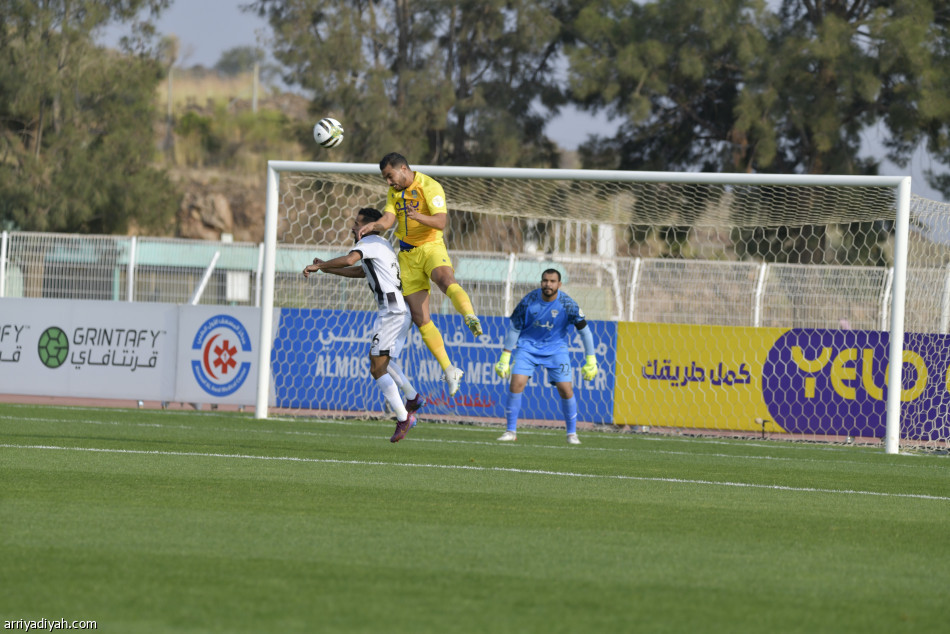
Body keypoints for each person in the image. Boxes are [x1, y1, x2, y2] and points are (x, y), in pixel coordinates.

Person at [355, 152, 481, 397]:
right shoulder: (394, 192)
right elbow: (389, 218)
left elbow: (441, 222)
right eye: (385, 178)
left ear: (403, 168)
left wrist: (417, 216)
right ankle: (450, 370)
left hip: (431, 247)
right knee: (421, 317)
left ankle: (469, 316)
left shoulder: (430, 186)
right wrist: (374, 225)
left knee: (445, 280)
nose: (389, 182)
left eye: (390, 176)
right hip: (407, 256)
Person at [303, 207, 423, 443]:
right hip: (398, 310)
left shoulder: (370, 241)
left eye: (357, 224)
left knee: (376, 367)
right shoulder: (381, 244)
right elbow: (360, 270)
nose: (353, 227)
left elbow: (350, 259)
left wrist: (321, 266)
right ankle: (412, 396)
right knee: (383, 362)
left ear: (368, 226)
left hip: (392, 312)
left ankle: (403, 417)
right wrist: (327, 267)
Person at [493, 269, 598, 445]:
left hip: (556, 350)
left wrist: (591, 359)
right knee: (516, 383)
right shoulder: (529, 301)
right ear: (541, 282)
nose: (548, 284)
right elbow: (515, 329)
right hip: (528, 348)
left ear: (559, 284)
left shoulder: (568, 304)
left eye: (552, 281)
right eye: (545, 280)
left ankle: (572, 434)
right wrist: (505, 357)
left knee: (566, 389)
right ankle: (510, 431)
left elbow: (585, 331)